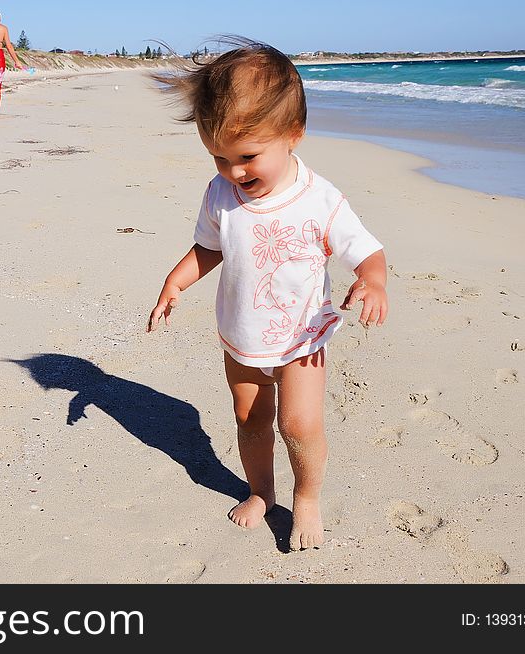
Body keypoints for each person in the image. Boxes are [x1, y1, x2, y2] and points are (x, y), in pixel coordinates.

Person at [147, 40, 388, 551]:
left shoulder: (320, 200)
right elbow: (209, 248)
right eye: (219, 157)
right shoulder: (221, 195)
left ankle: (308, 497)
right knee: (249, 418)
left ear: (293, 135)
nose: (234, 171)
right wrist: (176, 281)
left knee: (298, 424)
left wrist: (372, 280)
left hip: (301, 336)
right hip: (241, 335)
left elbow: (366, 251)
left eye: (248, 156)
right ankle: (263, 491)